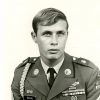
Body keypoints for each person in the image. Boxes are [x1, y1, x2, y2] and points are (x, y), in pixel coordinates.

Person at [11, 8, 100, 100]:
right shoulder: (22, 75)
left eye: (60, 34)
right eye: (47, 34)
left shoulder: (88, 73)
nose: (54, 41)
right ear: (34, 37)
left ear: (67, 35)